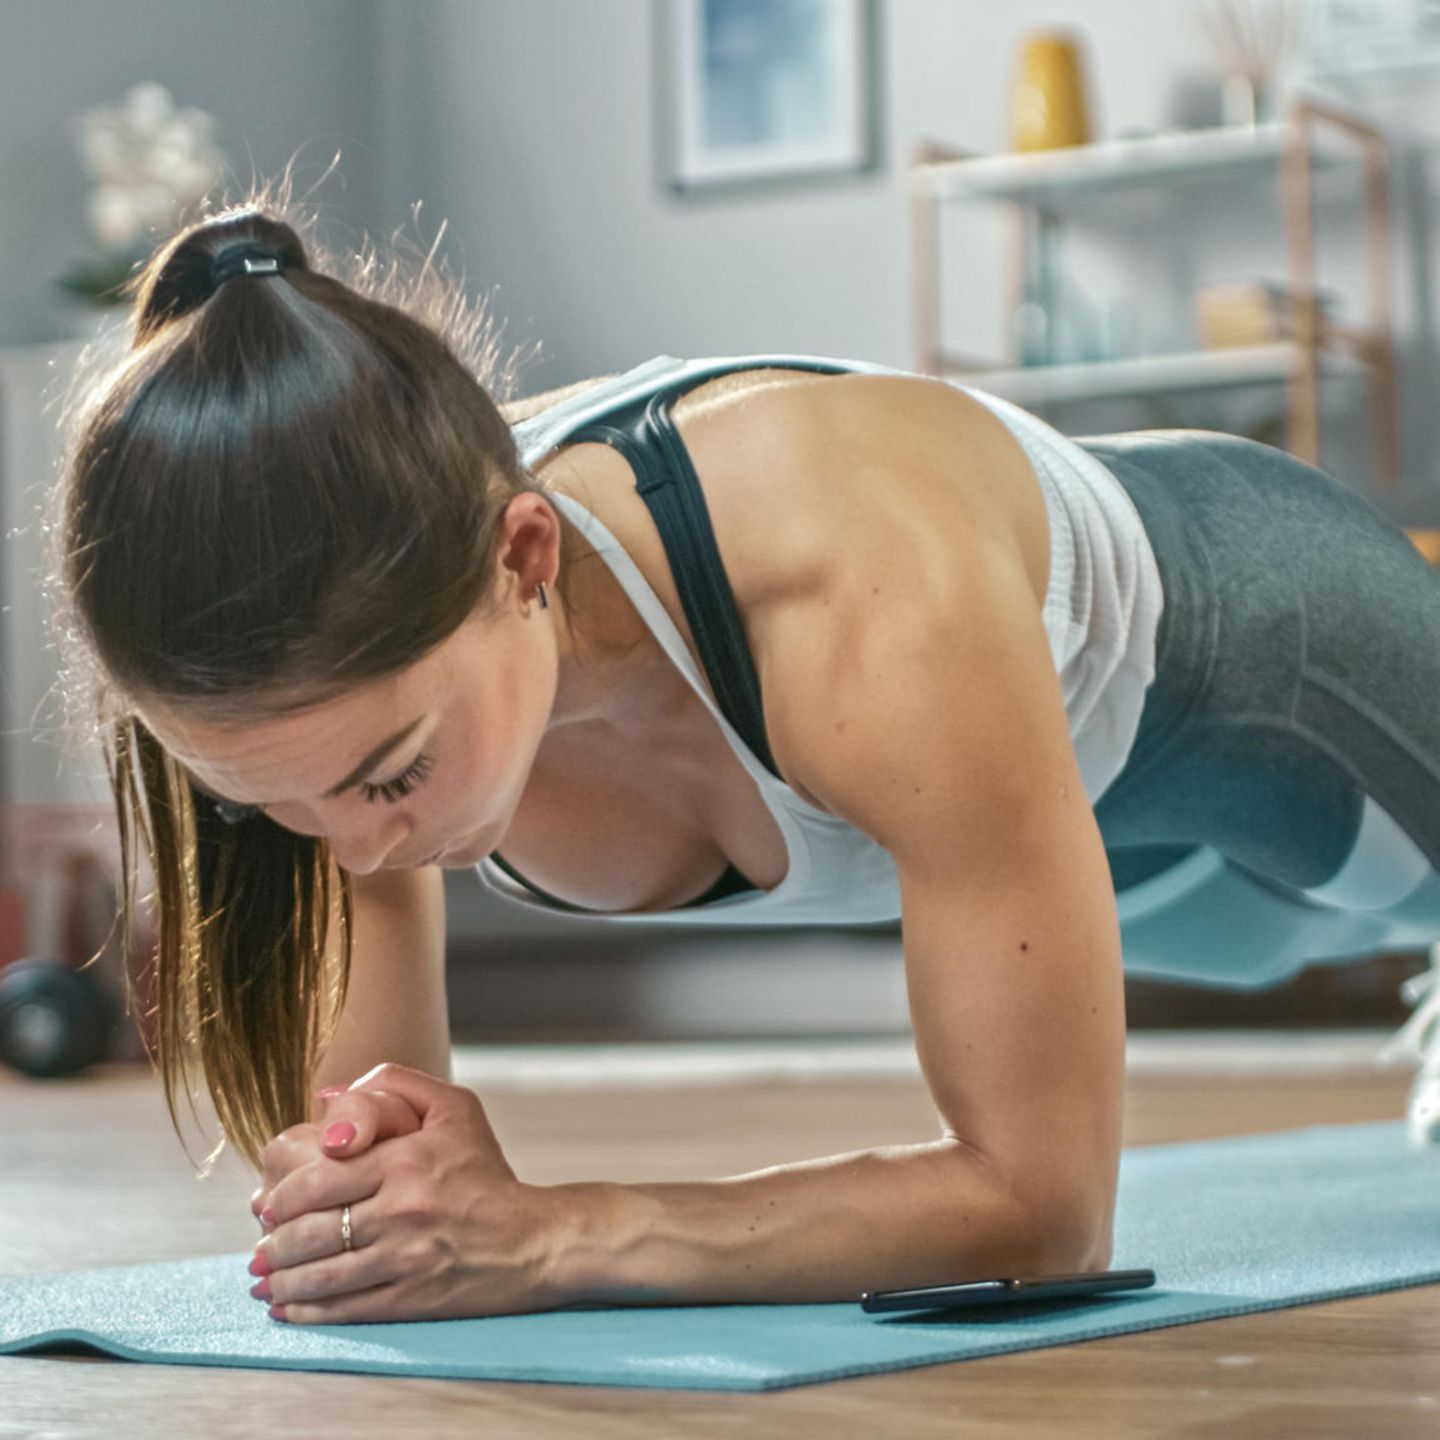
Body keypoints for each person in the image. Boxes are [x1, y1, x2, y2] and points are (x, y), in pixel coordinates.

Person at [52, 193, 1440, 1329]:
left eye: (390, 778)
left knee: (1388, 906)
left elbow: (1044, 1211)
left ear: (524, 559)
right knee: (1256, 942)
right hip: (1095, 854)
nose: (347, 851)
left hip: (1269, 665)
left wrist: (560, 1234)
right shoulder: (308, 693)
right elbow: (390, 1203)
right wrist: (385, 1223)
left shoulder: (857, 584)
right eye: (269, 805)